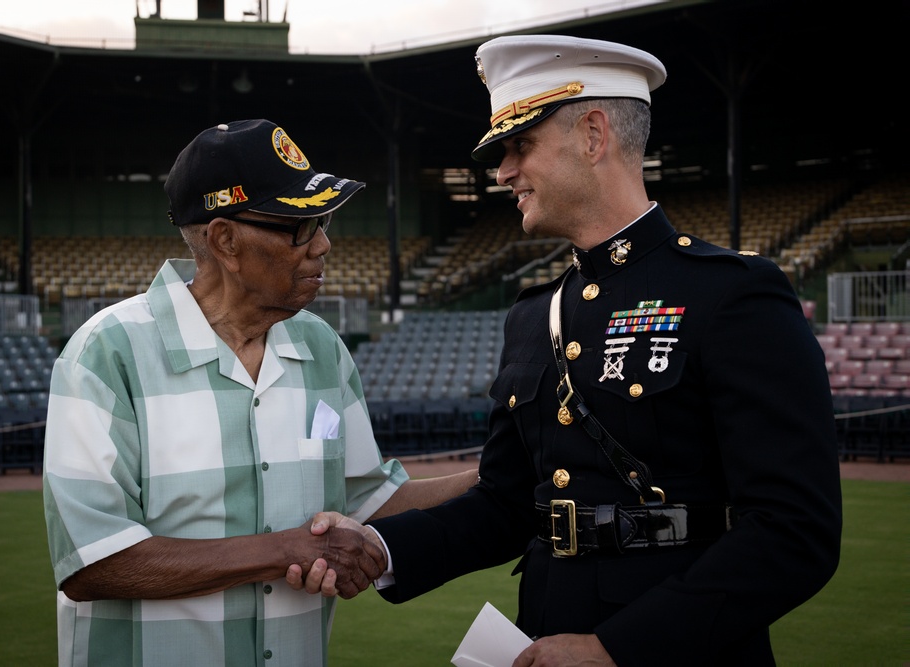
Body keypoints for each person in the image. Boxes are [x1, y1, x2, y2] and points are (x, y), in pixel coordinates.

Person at [301, 35, 843, 666]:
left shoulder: (731, 295)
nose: (502, 171)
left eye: (519, 146)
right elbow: (507, 502)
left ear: (592, 135)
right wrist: (377, 547)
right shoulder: (535, 316)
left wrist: (616, 649)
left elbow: (794, 531)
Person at [42, 119, 478, 667]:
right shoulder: (107, 354)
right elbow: (91, 564)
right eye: (300, 225)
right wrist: (284, 550)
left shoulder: (322, 346)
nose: (323, 244)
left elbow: (369, 500)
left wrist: (500, 473)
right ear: (226, 240)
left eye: (322, 221)